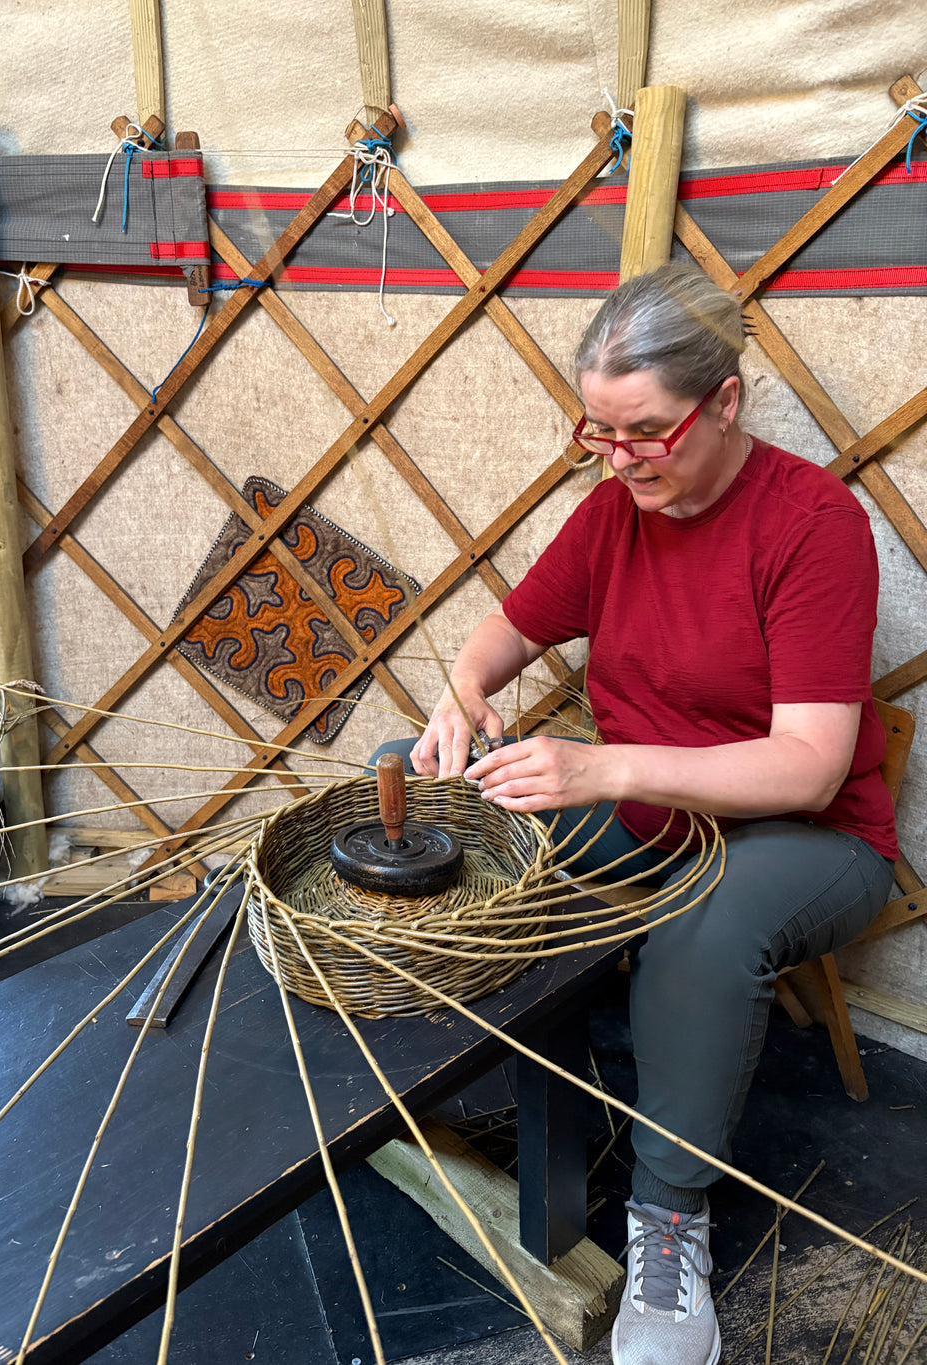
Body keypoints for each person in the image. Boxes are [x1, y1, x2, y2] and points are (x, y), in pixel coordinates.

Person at [373, 263, 897, 1365]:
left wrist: (601, 769)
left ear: (725, 401)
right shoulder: (612, 514)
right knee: (429, 803)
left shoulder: (814, 524)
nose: (619, 460)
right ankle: (458, 1086)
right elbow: (502, 635)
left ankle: (667, 1222)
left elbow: (809, 768)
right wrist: (461, 700)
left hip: (804, 838)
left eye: (647, 432)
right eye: (598, 434)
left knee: (703, 929)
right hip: (648, 810)